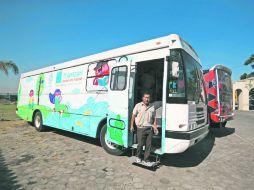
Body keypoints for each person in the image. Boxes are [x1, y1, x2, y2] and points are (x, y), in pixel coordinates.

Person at [130, 92, 158, 166]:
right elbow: (133, 116)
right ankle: (138, 157)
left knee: (148, 145)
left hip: (149, 128)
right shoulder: (138, 106)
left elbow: (154, 118)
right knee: (140, 144)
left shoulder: (152, 107)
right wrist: (131, 126)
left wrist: (155, 127)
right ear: (143, 98)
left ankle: (146, 159)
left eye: (148, 97)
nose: (147, 99)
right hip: (140, 128)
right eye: (145, 97)